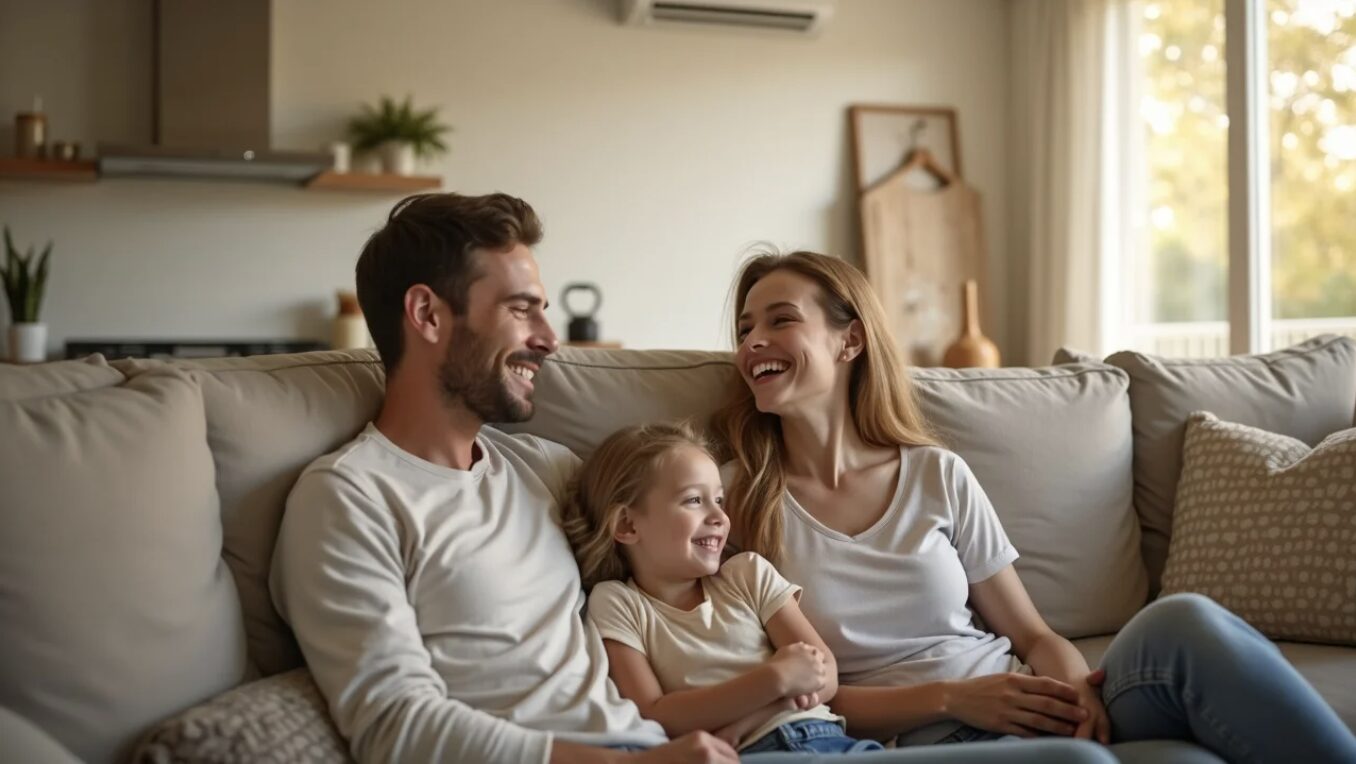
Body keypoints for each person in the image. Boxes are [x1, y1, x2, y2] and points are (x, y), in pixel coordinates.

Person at [268, 192, 1116, 764]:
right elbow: (393, 723)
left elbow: (689, 584)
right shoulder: (348, 500)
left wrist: (751, 704)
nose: (550, 338)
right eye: (522, 308)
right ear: (426, 315)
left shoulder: (548, 472)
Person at [711, 250, 1356, 763]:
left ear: (849, 341)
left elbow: (1034, 635)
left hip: (1024, 698)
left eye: (780, 319)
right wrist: (958, 700)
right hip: (936, 738)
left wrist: (1074, 698)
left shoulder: (936, 473)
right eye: (745, 329)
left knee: (1183, 622)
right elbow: (792, 697)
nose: (753, 343)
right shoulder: (732, 503)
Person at [562, 421, 883, 754]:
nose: (719, 516)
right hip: (749, 753)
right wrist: (772, 680)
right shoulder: (619, 602)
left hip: (830, 737)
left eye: (718, 499)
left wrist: (748, 717)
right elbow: (653, 712)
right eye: (693, 500)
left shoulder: (747, 573)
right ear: (628, 525)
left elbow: (825, 673)